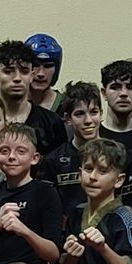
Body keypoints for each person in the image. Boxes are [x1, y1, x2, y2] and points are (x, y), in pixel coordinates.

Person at [0, 123, 64, 264]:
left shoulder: (46, 193)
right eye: (4, 151)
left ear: (34, 158)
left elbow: (53, 254)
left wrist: (24, 231)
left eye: (21, 151)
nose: (12, 157)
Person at [0, 39, 69, 153]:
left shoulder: (52, 123)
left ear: (32, 75)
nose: (17, 78)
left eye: (24, 71)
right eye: (8, 71)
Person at [42, 81, 106, 213]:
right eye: (79, 114)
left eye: (93, 112)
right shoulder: (52, 161)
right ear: (68, 118)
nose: (88, 120)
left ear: (101, 113)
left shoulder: (118, 155)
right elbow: (47, 209)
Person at [26, 32, 65, 112]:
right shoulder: (11, 104)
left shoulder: (67, 106)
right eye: (35, 65)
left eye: (48, 66)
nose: (41, 74)